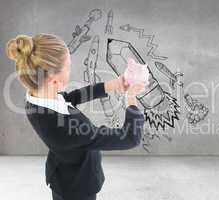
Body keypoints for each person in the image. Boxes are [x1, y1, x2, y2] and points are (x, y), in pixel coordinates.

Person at [5, 33, 146, 200]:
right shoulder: (71, 130)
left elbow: (70, 98)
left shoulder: (36, 97)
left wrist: (113, 84)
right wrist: (131, 98)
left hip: (62, 173)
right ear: (54, 81)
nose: (70, 69)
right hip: (78, 187)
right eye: (68, 67)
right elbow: (129, 138)